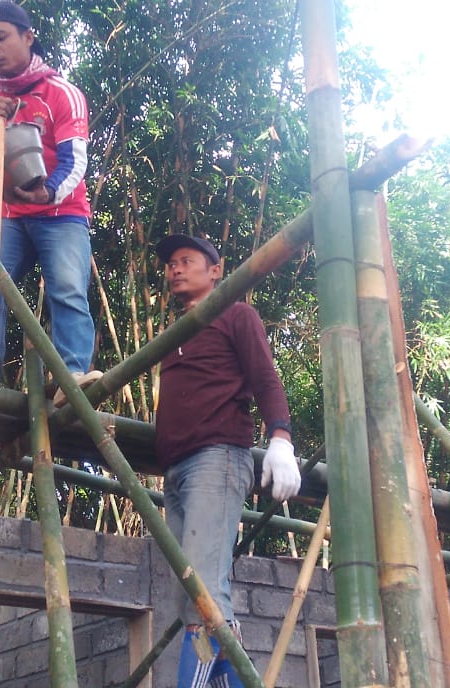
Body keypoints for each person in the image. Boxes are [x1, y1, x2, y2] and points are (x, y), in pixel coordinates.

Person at [153, 233, 303, 688]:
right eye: (170, 264)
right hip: (177, 469)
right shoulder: (174, 334)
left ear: (216, 270)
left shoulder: (236, 314)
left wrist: (281, 439)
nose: (174, 269)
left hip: (216, 460)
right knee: (191, 597)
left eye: (186, 260)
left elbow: (265, 378)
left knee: (204, 594)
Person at [0, 0, 101, 395]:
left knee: (66, 287)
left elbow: (75, 160)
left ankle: (72, 377)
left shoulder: (62, 92)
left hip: (61, 212)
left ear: (28, 38)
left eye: (2, 37)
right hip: (8, 212)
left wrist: (47, 192)